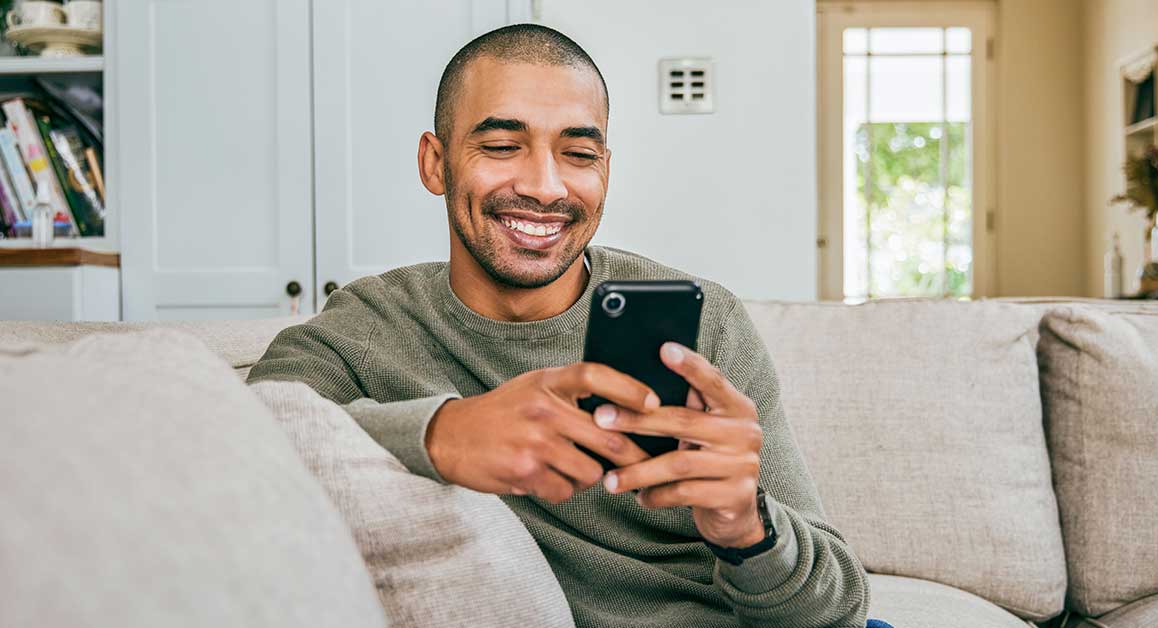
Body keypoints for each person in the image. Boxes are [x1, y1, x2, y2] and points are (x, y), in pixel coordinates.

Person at [248, 23, 870, 628]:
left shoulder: (708, 323)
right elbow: (233, 444)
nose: (546, 188)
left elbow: (839, 610)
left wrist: (748, 531)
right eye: (500, 147)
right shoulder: (370, 327)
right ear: (435, 163)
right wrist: (441, 434)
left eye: (578, 154)